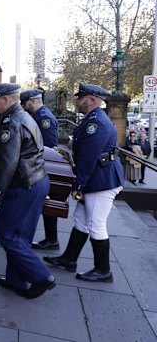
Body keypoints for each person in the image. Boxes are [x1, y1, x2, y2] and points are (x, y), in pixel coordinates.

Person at [44, 83, 124, 283]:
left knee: (96, 225)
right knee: (81, 220)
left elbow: (88, 158)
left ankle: (103, 270)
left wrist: (77, 185)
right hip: (95, 178)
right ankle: (69, 259)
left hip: (101, 181)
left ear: (92, 101)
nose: (77, 101)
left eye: (81, 98)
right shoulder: (92, 119)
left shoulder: (96, 124)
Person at [0, 83, 55, 299]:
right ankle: (17, 280)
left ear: (6, 100)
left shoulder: (11, 124)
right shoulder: (24, 117)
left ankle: (42, 276)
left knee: (5, 233)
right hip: (37, 181)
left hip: (22, 185)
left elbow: (7, 165)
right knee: (21, 236)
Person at [20, 88, 60, 251]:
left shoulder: (44, 119)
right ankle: (51, 239)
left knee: (46, 204)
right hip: (37, 166)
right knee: (45, 205)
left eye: (25, 103)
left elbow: (48, 147)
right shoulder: (37, 116)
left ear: (32, 101)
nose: (23, 106)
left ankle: (51, 240)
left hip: (42, 167)